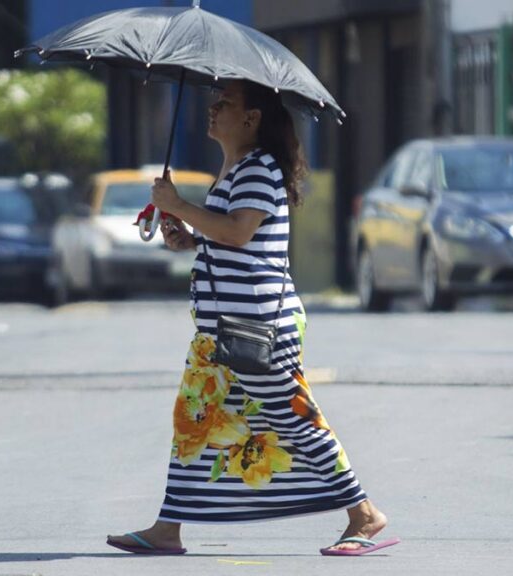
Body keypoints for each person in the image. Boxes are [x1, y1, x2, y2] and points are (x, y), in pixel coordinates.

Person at [106, 80, 397, 556]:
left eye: (226, 103)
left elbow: (241, 232)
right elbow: (230, 237)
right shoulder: (235, 168)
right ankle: (168, 528)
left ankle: (364, 514)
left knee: (294, 416)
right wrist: (189, 236)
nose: (213, 109)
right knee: (193, 421)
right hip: (220, 329)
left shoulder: (259, 168)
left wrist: (180, 205)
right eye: (214, 102)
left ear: (252, 118)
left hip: (258, 325)